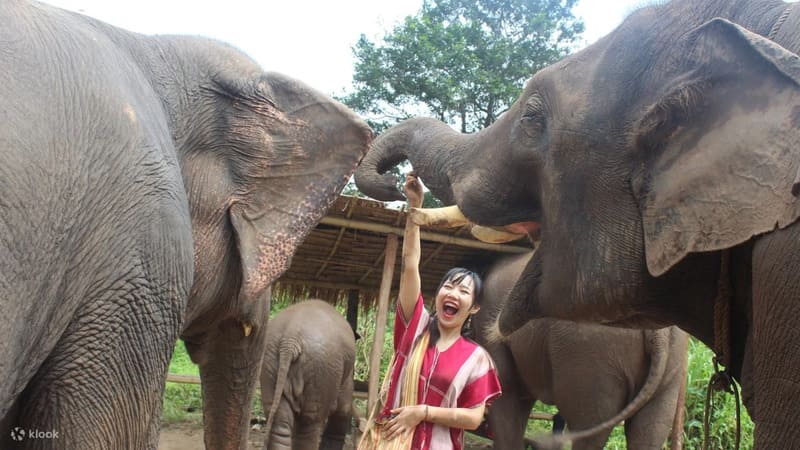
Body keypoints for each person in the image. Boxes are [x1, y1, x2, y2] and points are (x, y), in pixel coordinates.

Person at [380, 172, 502, 450]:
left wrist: (422, 412)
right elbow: (410, 264)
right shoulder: (415, 330)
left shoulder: (477, 359)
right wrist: (415, 209)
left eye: (464, 291)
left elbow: (473, 418)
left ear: (474, 307)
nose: (453, 293)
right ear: (438, 295)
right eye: (449, 285)